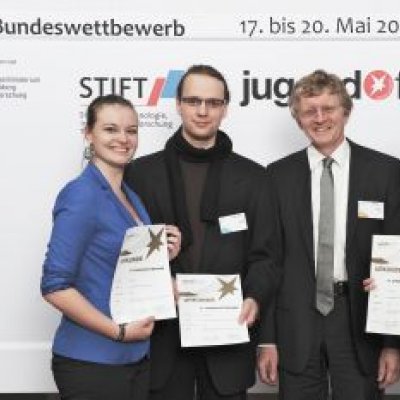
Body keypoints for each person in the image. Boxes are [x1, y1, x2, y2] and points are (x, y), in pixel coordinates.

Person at [124, 65, 279, 400]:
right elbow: (122, 259)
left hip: (227, 338)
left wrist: (255, 297)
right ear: (178, 104)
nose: (203, 110)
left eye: (213, 102)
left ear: (225, 108)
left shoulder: (254, 178)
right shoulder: (139, 174)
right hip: (161, 337)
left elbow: (265, 257)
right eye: (193, 100)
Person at [257, 69, 400, 400]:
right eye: (309, 111)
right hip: (295, 321)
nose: (319, 118)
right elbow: (268, 260)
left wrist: (392, 342)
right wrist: (267, 340)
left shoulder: (386, 172)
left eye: (329, 108)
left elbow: (395, 259)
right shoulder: (276, 176)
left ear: (345, 112)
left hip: (360, 321)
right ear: (298, 120)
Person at [41, 94, 181, 400]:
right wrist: (118, 331)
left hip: (135, 358)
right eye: (110, 129)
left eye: (131, 131)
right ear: (88, 134)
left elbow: (119, 268)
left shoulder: (130, 195)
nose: (123, 139)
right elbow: (54, 286)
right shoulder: (81, 194)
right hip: (91, 361)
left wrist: (161, 258)